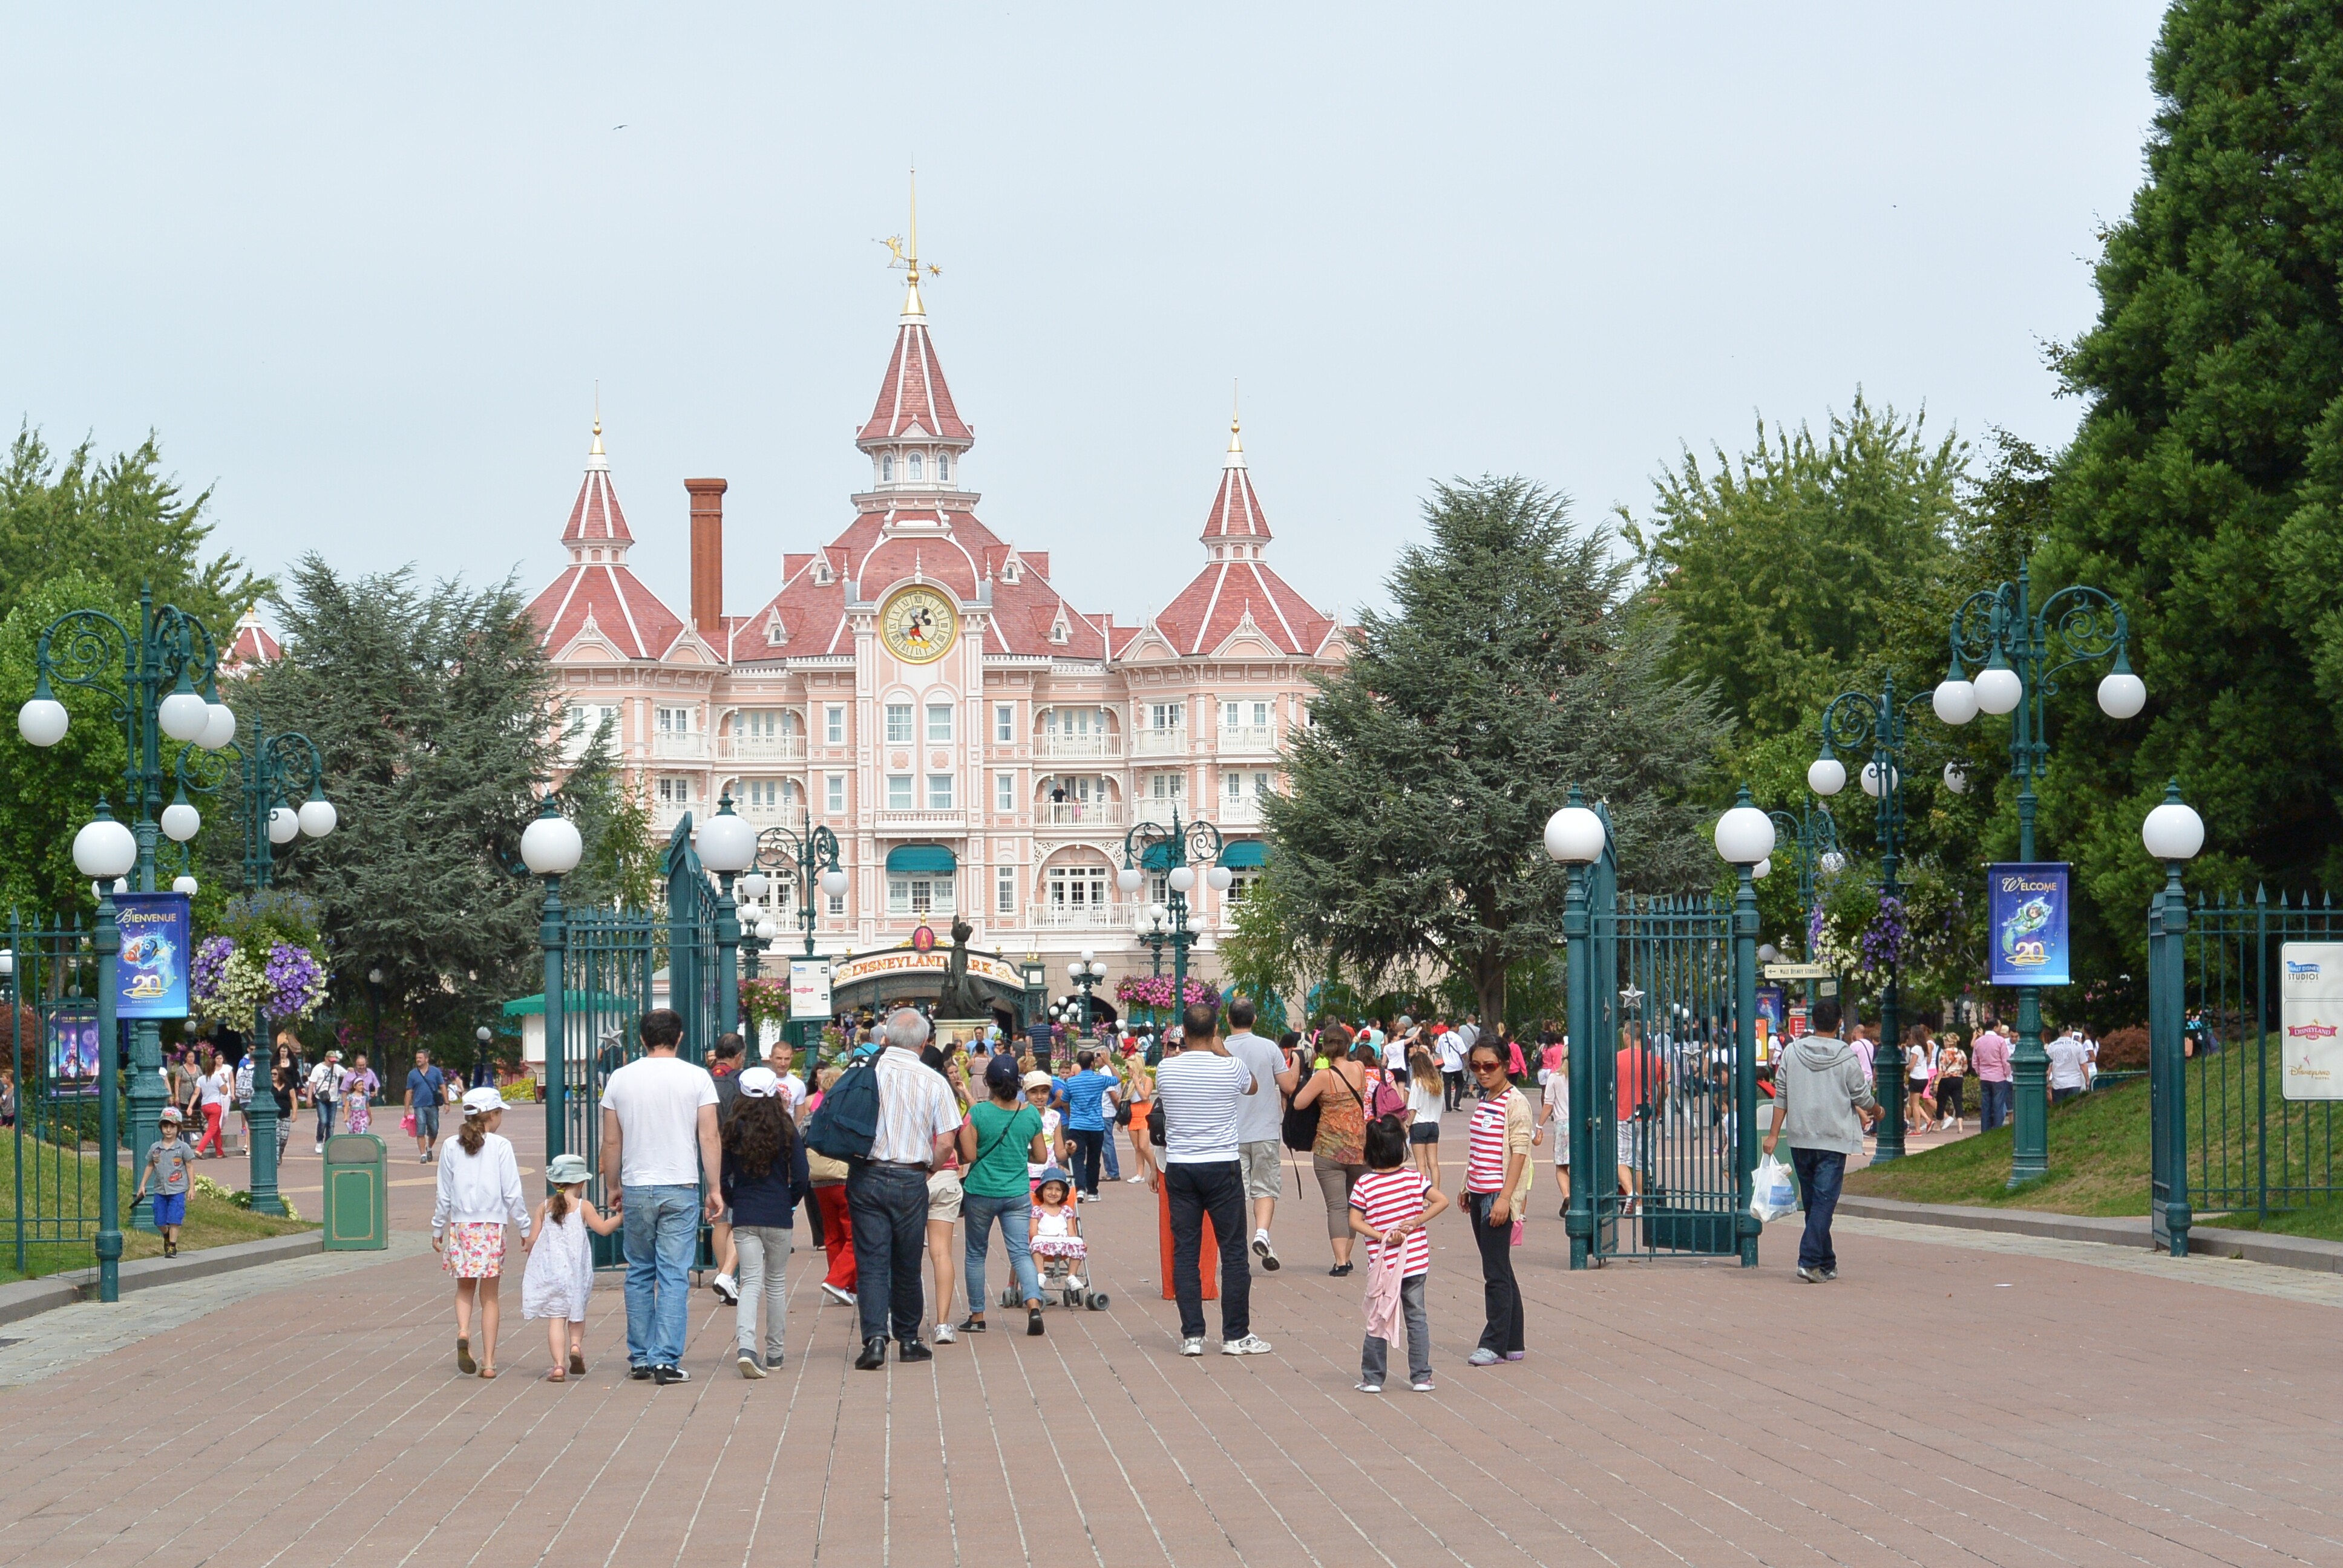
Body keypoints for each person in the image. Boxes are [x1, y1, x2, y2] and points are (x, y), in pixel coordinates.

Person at [1135, 1002, 1268, 1357]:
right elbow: (1253, 1087)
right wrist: (1222, 1050)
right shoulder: (1230, 1067)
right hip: (1222, 1163)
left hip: (1181, 1166)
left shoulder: (1166, 1069)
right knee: (1234, 1252)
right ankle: (1236, 1334)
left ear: (1183, 1030)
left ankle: (1193, 1335)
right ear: (1215, 1030)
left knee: (1186, 1251)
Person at [601, 1008, 722, 1385]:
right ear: (680, 1037)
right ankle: (665, 1359)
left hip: (638, 1184)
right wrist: (714, 1187)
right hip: (680, 1184)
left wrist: (612, 1184)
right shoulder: (697, 1077)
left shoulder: (620, 1079)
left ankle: (639, 1355)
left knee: (639, 1271)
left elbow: (611, 1139)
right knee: (673, 1274)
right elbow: (708, 1136)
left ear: (641, 1039)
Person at [848, 1009, 963, 1371]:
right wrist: (928, 1167)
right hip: (911, 1176)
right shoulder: (933, 1081)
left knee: (871, 1260)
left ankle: (875, 1339)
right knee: (907, 1261)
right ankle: (909, 1338)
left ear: (886, 1039)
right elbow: (946, 1141)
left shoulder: (865, 1073)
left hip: (867, 1173)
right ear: (925, 1042)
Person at [1763, 999, 1878, 1284]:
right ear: (1840, 1023)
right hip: (1834, 1138)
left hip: (1801, 1136)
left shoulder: (1792, 1052)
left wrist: (1775, 1134)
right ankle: (1810, 1260)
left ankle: (1827, 1262)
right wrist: (1877, 1109)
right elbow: (1861, 1096)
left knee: (1815, 1203)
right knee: (1824, 1202)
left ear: (1812, 1021)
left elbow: (1782, 1095)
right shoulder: (1846, 1055)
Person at [720, 1065, 812, 1378]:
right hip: (778, 1213)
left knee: (749, 1282)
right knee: (775, 1284)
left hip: (746, 1214)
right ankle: (775, 1351)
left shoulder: (733, 1128)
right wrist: (790, 1201)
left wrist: (735, 1201)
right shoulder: (785, 1128)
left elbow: (722, 1179)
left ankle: (747, 1347)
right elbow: (801, 1175)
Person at [431, 1086, 529, 1378]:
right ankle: (488, 1361)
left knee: (464, 1289)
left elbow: (444, 1194)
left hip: (461, 1225)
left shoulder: (450, 1146)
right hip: (492, 1227)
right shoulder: (500, 1146)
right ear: (493, 1115)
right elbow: (512, 1193)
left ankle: (463, 1331)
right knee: (490, 1297)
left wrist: (438, 1227)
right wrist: (525, 1227)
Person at [1350, 1112, 1449, 1394]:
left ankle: (1373, 1378)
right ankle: (1421, 1376)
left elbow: (1355, 1221)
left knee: (1378, 1317)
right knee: (1416, 1317)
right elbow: (1441, 1201)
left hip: (1384, 1264)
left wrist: (1382, 1236)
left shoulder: (1364, 1184)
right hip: (1415, 1261)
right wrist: (1416, 1221)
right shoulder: (1413, 1179)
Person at [957, 1051, 1052, 1338]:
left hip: (982, 1191)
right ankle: (1034, 1305)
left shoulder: (978, 1113)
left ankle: (977, 1316)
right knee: (1021, 1251)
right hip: (1017, 1192)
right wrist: (1016, 1152)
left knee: (975, 1253)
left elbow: (970, 1155)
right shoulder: (1030, 1114)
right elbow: (1040, 1156)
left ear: (989, 1082)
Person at [520, 1152, 621, 1381]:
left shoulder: (543, 1207)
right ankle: (575, 1346)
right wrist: (622, 1217)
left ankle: (557, 1365)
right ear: (583, 1182)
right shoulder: (583, 1207)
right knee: (576, 1313)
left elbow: (532, 1240)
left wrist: (527, 1245)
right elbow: (603, 1229)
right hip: (575, 1272)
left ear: (555, 1183)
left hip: (551, 1273)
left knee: (556, 1319)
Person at [1461, 1040, 1532, 1365]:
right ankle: (1513, 1341)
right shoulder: (1485, 1098)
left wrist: (1505, 1198)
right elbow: (1479, 1148)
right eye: (1475, 1066)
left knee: (1495, 1272)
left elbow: (1519, 1152)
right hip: (1478, 1192)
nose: (1482, 1073)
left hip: (1496, 1196)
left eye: (1489, 1066)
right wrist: (1466, 1185)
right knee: (1500, 1266)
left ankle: (1493, 1342)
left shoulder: (1515, 1103)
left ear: (1505, 1064)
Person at [1221, 998, 1295, 1273]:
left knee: (1235, 1192)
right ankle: (1262, 1233)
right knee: (1265, 1188)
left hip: (1230, 1134)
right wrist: (1295, 1065)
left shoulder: (1221, 1049)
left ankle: (1236, 1245)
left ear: (1228, 1019)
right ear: (1254, 1019)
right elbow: (1288, 1084)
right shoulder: (1268, 1047)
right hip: (1264, 1130)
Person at [1291, 1022, 1368, 1276]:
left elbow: (1300, 1103)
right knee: (1353, 1204)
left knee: (1335, 1206)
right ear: (1347, 1046)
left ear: (1324, 1049)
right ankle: (1348, 1254)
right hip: (1360, 1148)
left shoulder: (1324, 1076)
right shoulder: (1359, 1068)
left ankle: (1340, 1261)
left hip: (1329, 1150)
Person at [923, 1039, 971, 1345]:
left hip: (913, 1177)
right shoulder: (951, 1103)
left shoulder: (907, 1098)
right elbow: (968, 1151)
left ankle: (902, 1319)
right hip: (946, 1178)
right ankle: (942, 1324)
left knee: (906, 1253)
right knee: (941, 1253)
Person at [807, 1065, 857, 1308]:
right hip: (843, 1177)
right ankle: (838, 1280)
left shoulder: (814, 1111)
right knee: (855, 1234)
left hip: (819, 1179)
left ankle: (845, 1285)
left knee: (832, 1233)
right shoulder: (845, 1112)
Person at [706, 1031, 749, 1309]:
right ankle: (727, 1275)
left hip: (709, 1157)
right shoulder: (739, 1084)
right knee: (739, 1219)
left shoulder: (704, 1080)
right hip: (735, 1156)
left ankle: (724, 1278)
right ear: (737, 1057)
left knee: (719, 1219)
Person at [132, 1106, 198, 1256]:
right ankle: (166, 1234)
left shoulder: (183, 1148)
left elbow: (189, 1166)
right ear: (161, 1128)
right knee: (160, 1221)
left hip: (178, 1189)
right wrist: (142, 1185)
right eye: (165, 1126)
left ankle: (172, 1246)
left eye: (172, 1127)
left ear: (178, 1128)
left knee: (175, 1217)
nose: (168, 1130)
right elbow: (150, 1165)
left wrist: (192, 1187)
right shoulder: (156, 1148)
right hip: (161, 1189)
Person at [1614, 1024, 1664, 1207]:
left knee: (1620, 1158)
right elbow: (1663, 1089)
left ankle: (1630, 1192)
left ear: (1627, 1036)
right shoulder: (1655, 1060)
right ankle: (1640, 1203)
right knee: (1641, 1161)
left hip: (1623, 1113)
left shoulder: (1617, 1059)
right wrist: (1658, 1107)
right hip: (1647, 1115)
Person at [1061, 1049, 1118, 1200]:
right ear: (1092, 1063)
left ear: (1079, 1064)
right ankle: (1093, 1191)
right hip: (1095, 1125)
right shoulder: (1099, 1079)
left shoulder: (1071, 1082)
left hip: (1077, 1124)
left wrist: (1071, 1113)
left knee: (1077, 1158)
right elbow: (1118, 1078)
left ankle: (1080, 1188)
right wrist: (1107, 1062)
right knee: (1094, 1159)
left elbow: (1065, 1100)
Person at [1029, 1170, 1086, 1284]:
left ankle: (1071, 1276)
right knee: (1036, 1240)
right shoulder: (1037, 1211)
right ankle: (1040, 1274)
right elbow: (1033, 1233)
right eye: (1049, 1189)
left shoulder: (1066, 1211)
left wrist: (1077, 1241)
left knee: (1079, 1242)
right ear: (1042, 1190)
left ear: (1063, 1193)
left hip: (1063, 1244)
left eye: (1058, 1190)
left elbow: (1071, 1234)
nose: (1053, 1193)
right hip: (1043, 1243)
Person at [1532, 1040, 1570, 1212]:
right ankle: (1578, 1196)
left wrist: (1540, 1125)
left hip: (1562, 1124)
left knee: (1561, 1165)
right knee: (1579, 1165)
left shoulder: (1555, 1078)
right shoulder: (1584, 1076)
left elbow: (1548, 1104)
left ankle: (1567, 1196)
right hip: (1580, 1124)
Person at [1405, 1045, 1444, 1189]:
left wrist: (1407, 1126)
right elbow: (1442, 1107)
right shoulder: (1438, 1083)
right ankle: (1437, 1192)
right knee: (1433, 1163)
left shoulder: (1417, 1083)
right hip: (1434, 1124)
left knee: (1421, 1164)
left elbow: (1413, 1108)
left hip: (1419, 1124)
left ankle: (1425, 1196)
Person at [405, 1048, 446, 1163]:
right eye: (417, 1058)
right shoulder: (412, 1074)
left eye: (420, 1058)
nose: (418, 1060)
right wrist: (407, 1109)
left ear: (427, 1059)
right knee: (421, 1129)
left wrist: (447, 1103)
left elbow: (442, 1086)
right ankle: (423, 1154)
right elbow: (409, 1091)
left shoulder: (435, 1072)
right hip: (419, 1106)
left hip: (433, 1105)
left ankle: (430, 1148)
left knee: (434, 1130)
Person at [1973, 1016, 2013, 1129]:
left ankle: (1985, 1129)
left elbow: (1975, 1062)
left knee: (1986, 1105)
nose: (2000, 1028)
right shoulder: (2000, 1041)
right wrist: (2007, 1073)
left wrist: (1980, 1072)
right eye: (1999, 1026)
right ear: (1995, 1027)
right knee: (1998, 1105)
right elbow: (2006, 1061)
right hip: (1999, 1077)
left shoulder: (1979, 1041)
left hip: (1985, 1077)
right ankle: (1997, 1128)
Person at [193, 1050, 231, 1158]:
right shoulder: (217, 1078)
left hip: (205, 1106)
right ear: (214, 1067)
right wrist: (224, 1082)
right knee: (212, 1129)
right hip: (215, 1105)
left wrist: (191, 1106)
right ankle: (200, 1149)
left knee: (217, 1129)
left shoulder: (201, 1079)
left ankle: (219, 1152)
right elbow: (225, 1091)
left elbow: (196, 1093)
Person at [306, 1050, 344, 1151]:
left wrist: (352, 1070)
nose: (332, 1063)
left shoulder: (337, 1068)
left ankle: (329, 1143)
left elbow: (347, 1075)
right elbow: (312, 1084)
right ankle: (319, 1141)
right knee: (323, 1120)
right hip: (321, 1097)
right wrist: (309, 1098)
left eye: (334, 1061)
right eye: (330, 1060)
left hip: (333, 1098)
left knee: (331, 1123)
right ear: (326, 1058)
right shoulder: (318, 1068)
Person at [270, 1040, 300, 1165]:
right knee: (276, 1138)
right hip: (275, 1115)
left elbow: (293, 1098)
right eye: (272, 1074)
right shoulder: (269, 1086)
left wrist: (294, 1113)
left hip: (286, 1114)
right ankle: (276, 1159)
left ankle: (280, 1153)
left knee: (283, 1139)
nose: (273, 1076)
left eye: (275, 1074)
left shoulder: (288, 1085)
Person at [2046, 1025, 2091, 1104]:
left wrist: (2047, 1082)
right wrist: (2087, 1080)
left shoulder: (2051, 1046)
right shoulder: (2078, 1046)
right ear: (2068, 1031)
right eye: (2071, 1031)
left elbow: (2049, 1066)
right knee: (2073, 1108)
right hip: (2074, 1082)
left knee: (2059, 1108)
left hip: (2058, 1084)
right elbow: (2083, 1065)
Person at [1933, 1037, 1968, 1132]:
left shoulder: (1944, 1053)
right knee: (1958, 1102)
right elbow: (1965, 1068)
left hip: (1946, 1079)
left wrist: (1936, 1083)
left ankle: (1938, 1125)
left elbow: (1942, 1069)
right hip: (1958, 1079)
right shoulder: (1961, 1052)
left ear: (1948, 1042)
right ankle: (1960, 1125)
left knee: (1941, 1102)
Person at [343, 1054, 380, 1135]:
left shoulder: (370, 1072)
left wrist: (375, 1092)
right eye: (359, 1065)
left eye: (363, 1065)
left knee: (363, 1131)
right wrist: (345, 1114)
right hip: (354, 1115)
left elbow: (376, 1084)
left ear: (366, 1063)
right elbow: (344, 1090)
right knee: (353, 1131)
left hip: (363, 1113)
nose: (362, 1067)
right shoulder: (351, 1073)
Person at [1437, 1020, 1466, 1111]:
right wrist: (1468, 1063)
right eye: (1457, 1027)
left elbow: (1438, 1051)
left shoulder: (1442, 1037)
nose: (1458, 1029)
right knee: (1460, 1083)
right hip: (1457, 1065)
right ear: (1453, 1027)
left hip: (1446, 1065)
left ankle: (1448, 1107)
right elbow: (1463, 1052)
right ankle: (1456, 1103)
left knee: (1447, 1086)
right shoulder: (1458, 1038)